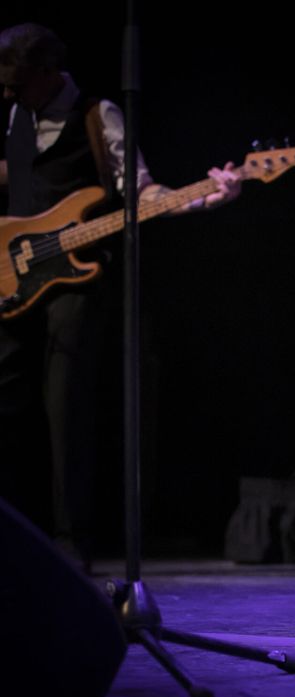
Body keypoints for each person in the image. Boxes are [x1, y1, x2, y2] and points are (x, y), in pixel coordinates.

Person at [0, 23, 241, 567]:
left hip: (77, 277)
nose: (9, 95)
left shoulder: (95, 115)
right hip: (13, 280)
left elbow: (142, 193)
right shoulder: (16, 117)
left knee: (66, 407)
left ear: (46, 72)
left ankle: (70, 544)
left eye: (17, 84)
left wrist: (205, 198)